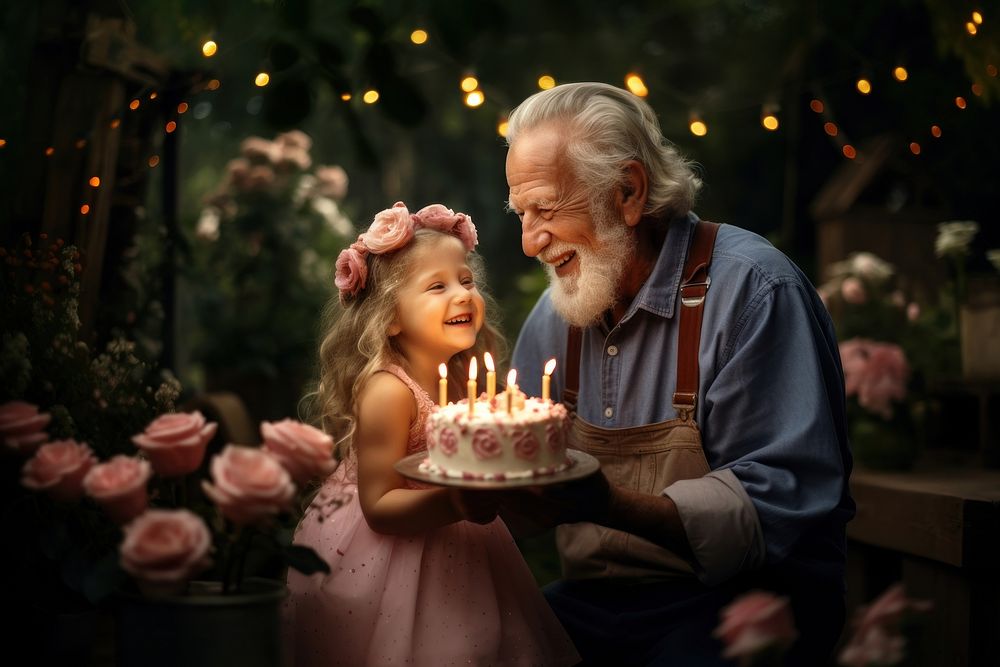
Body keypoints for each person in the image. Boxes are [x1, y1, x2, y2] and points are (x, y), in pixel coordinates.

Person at [502, 82, 855, 665]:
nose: (529, 241)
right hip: (598, 600)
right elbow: (515, 483)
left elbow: (782, 506)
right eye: (521, 213)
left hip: (746, 603)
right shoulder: (557, 313)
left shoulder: (755, 292)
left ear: (627, 192)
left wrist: (604, 502)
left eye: (546, 208)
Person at [284, 201, 579, 666]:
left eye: (466, 280)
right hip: (386, 554)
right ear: (391, 317)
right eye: (436, 286)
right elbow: (378, 506)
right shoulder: (388, 391)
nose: (462, 294)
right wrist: (455, 502)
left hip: (459, 540)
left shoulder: (463, 382)